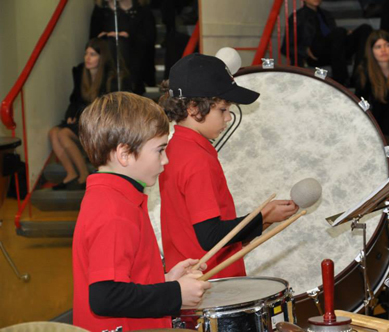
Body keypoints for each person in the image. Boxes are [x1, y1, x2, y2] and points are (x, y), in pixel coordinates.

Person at [73, 92, 211, 332]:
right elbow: (105, 296)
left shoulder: (117, 197)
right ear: (124, 154)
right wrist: (175, 294)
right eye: (159, 150)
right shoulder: (113, 210)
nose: (166, 160)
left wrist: (164, 280)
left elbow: (124, 281)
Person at [158, 54, 299, 280]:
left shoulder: (175, 148)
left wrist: (265, 219)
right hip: (212, 285)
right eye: (223, 109)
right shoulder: (196, 159)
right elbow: (210, 236)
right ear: (194, 108)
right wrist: (263, 215)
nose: (228, 118)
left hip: (192, 279)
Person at [48, 38, 131, 190]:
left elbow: (109, 107)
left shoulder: (110, 77)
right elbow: (75, 99)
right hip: (82, 120)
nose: (87, 58)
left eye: (92, 54)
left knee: (63, 134)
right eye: (86, 54)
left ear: (102, 57)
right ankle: (71, 174)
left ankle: (84, 175)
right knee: (53, 132)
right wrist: (70, 114)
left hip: (98, 123)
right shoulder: (81, 73)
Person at [280, 0, 372, 86]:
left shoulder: (327, 14)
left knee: (365, 28)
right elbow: (286, 48)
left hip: (334, 51)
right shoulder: (297, 17)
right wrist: (305, 50)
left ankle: (358, 76)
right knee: (339, 32)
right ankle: (341, 79)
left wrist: (345, 34)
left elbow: (334, 36)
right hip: (314, 54)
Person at [90, 0, 157, 94]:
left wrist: (127, 35)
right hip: (108, 54)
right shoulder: (101, 11)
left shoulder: (142, 10)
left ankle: (126, 86)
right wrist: (106, 36)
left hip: (135, 56)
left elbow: (149, 38)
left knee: (122, 44)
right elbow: (93, 39)